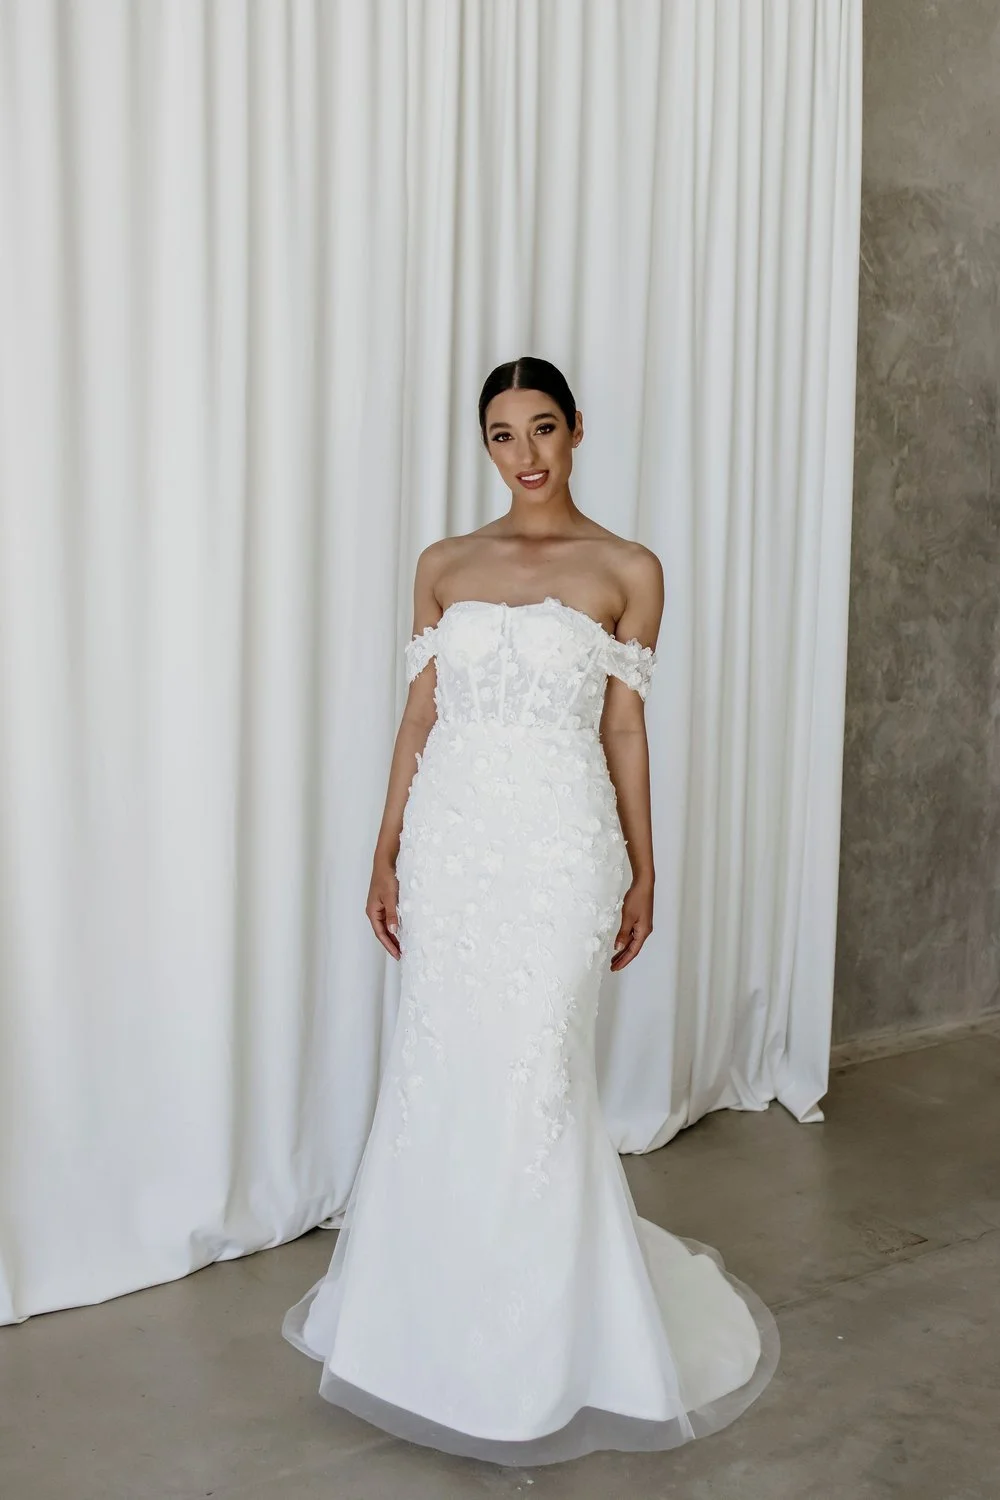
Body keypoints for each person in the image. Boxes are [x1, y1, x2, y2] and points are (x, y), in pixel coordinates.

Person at [282, 356, 779, 1465]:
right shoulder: (443, 565)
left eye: (543, 428)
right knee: (445, 1068)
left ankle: (550, 1346)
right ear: (486, 446)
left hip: (560, 844)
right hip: (454, 846)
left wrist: (645, 869)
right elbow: (420, 714)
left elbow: (624, 731)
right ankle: (424, 1331)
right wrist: (386, 846)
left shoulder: (629, 569)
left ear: (577, 429)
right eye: (503, 435)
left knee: (537, 1079)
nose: (526, 455)